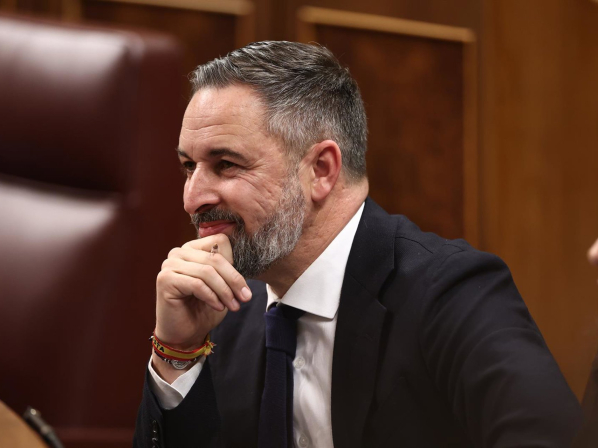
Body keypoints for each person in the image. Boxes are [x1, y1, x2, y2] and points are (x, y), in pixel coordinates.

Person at [133, 41, 581, 448]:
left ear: (322, 170)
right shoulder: (224, 310)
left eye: (226, 164)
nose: (192, 198)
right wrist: (178, 351)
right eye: (188, 167)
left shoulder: (450, 292)